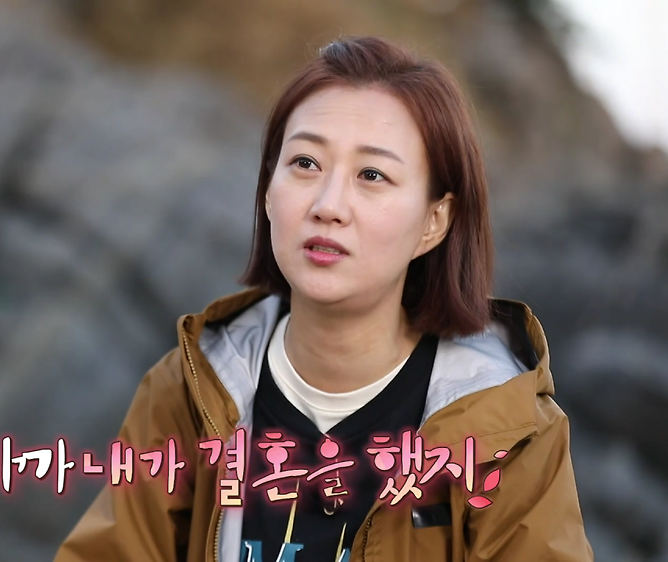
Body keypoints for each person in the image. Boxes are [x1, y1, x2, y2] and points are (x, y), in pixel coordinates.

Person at [53, 35, 593, 562]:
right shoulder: (188, 390)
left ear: (434, 221)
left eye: (372, 175)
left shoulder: (510, 433)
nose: (329, 205)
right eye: (306, 164)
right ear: (268, 191)